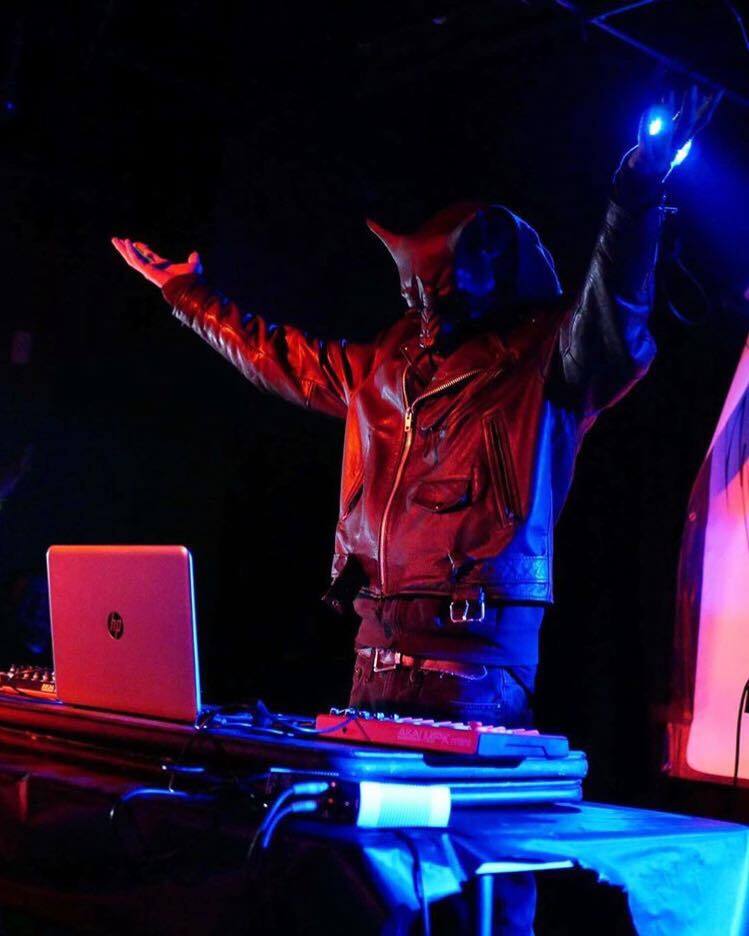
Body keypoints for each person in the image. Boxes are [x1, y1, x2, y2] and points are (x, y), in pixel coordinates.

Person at [112, 91, 718, 931]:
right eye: (413, 291)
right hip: (376, 653)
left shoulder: (545, 359)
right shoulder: (386, 366)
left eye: (435, 288)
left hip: (474, 665)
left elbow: (613, 307)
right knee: (369, 879)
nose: (421, 307)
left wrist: (635, 194)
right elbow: (282, 357)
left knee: (469, 875)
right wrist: (189, 296)